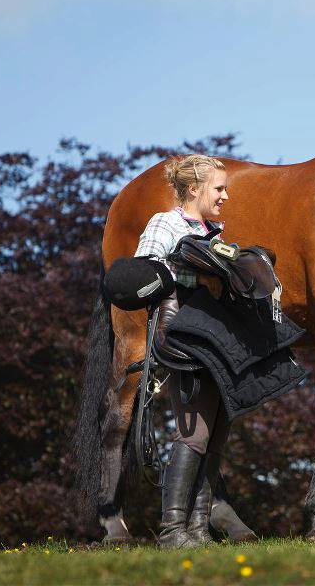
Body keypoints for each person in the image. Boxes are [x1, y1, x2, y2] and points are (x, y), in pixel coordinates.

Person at [134, 154, 234, 548]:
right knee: (194, 432)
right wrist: (199, 276)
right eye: (219, 188)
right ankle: (171, 530)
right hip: (181, 337)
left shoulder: (214, 232)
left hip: (215, 339)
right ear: (194, 189)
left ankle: (197, 529)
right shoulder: (166, 223)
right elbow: (146, 269)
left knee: (215, 434)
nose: (225, 196)